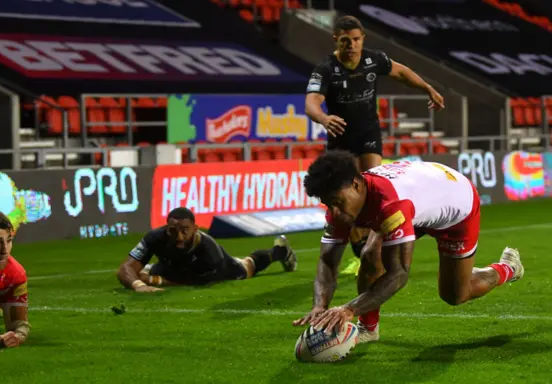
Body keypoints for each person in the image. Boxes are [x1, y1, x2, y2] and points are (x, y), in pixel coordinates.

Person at [292, 151, 524, 343]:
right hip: (421, 196)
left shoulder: (390, 204)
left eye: (336, 203)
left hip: (456, 205)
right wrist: (319, 305)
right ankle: (369, 329)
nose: (332, 212)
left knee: (455, 294)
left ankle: (507, 268)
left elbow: (399, 274)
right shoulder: (344, 205)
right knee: (371, 254)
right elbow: (327, 261)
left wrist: (349, 309)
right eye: (326, 204)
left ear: (355, 185)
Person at [304, 15, 445, 276]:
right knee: (348, 204)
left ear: (362, 39)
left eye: (356, 39)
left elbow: (401, 72)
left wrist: (427, 88)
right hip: (340, 143)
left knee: (371, 191)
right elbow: (311, 101)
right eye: (345, 40)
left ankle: (372, 252)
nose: (352, 45)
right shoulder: (325, 68)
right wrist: (323, 118)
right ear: (336, 39)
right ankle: (361, 251)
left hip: (369, 135)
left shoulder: (373, 59)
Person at [117, 207, 297, 292]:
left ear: (195, 229)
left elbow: (194, 283)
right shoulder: (155, 237)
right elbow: (126, 268)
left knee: (246, 266)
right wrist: (138, 285)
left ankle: (280, 252)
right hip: (174, 266)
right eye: (173, 231)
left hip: (219, 270)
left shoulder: (210, 252)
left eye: (184, 231)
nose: (179, 236)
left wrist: (154, 280)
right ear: (166, 228)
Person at [0, 210, 30, 349]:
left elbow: (19, 325)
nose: (5, 250)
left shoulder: (15, 274)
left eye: (8, 241)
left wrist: (16, 337)